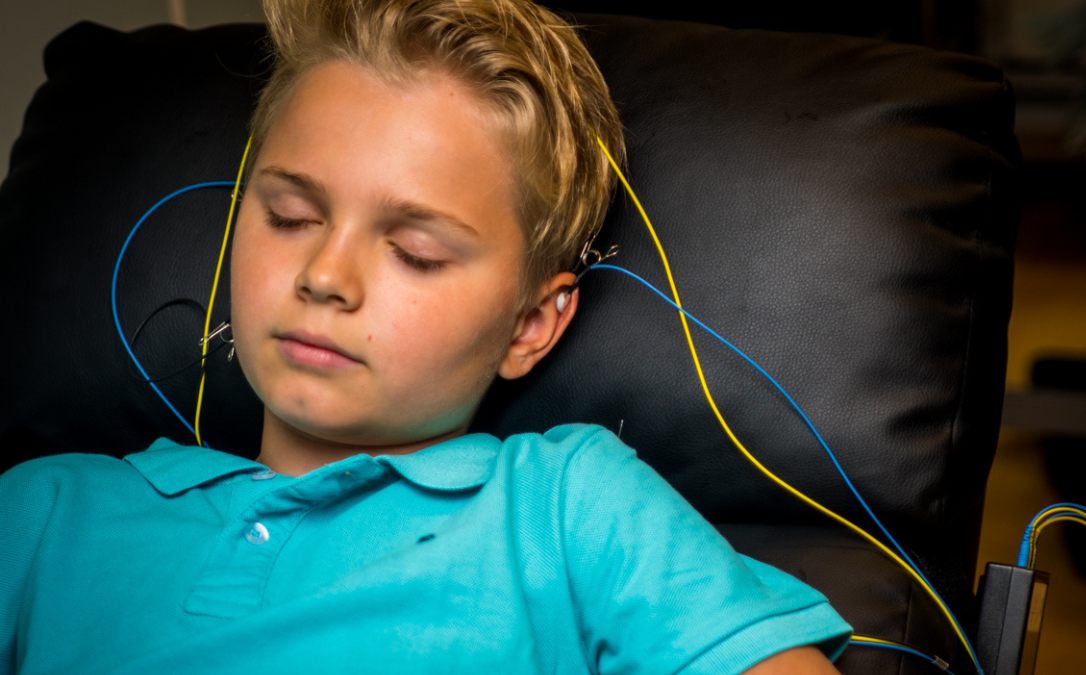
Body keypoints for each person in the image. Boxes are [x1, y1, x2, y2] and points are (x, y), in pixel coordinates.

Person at [0, 0, 852, 672]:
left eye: (413, 251)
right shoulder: (39, 515)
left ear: (529, 325)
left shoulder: (567, 506)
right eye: (290, 216)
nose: (324, 276)